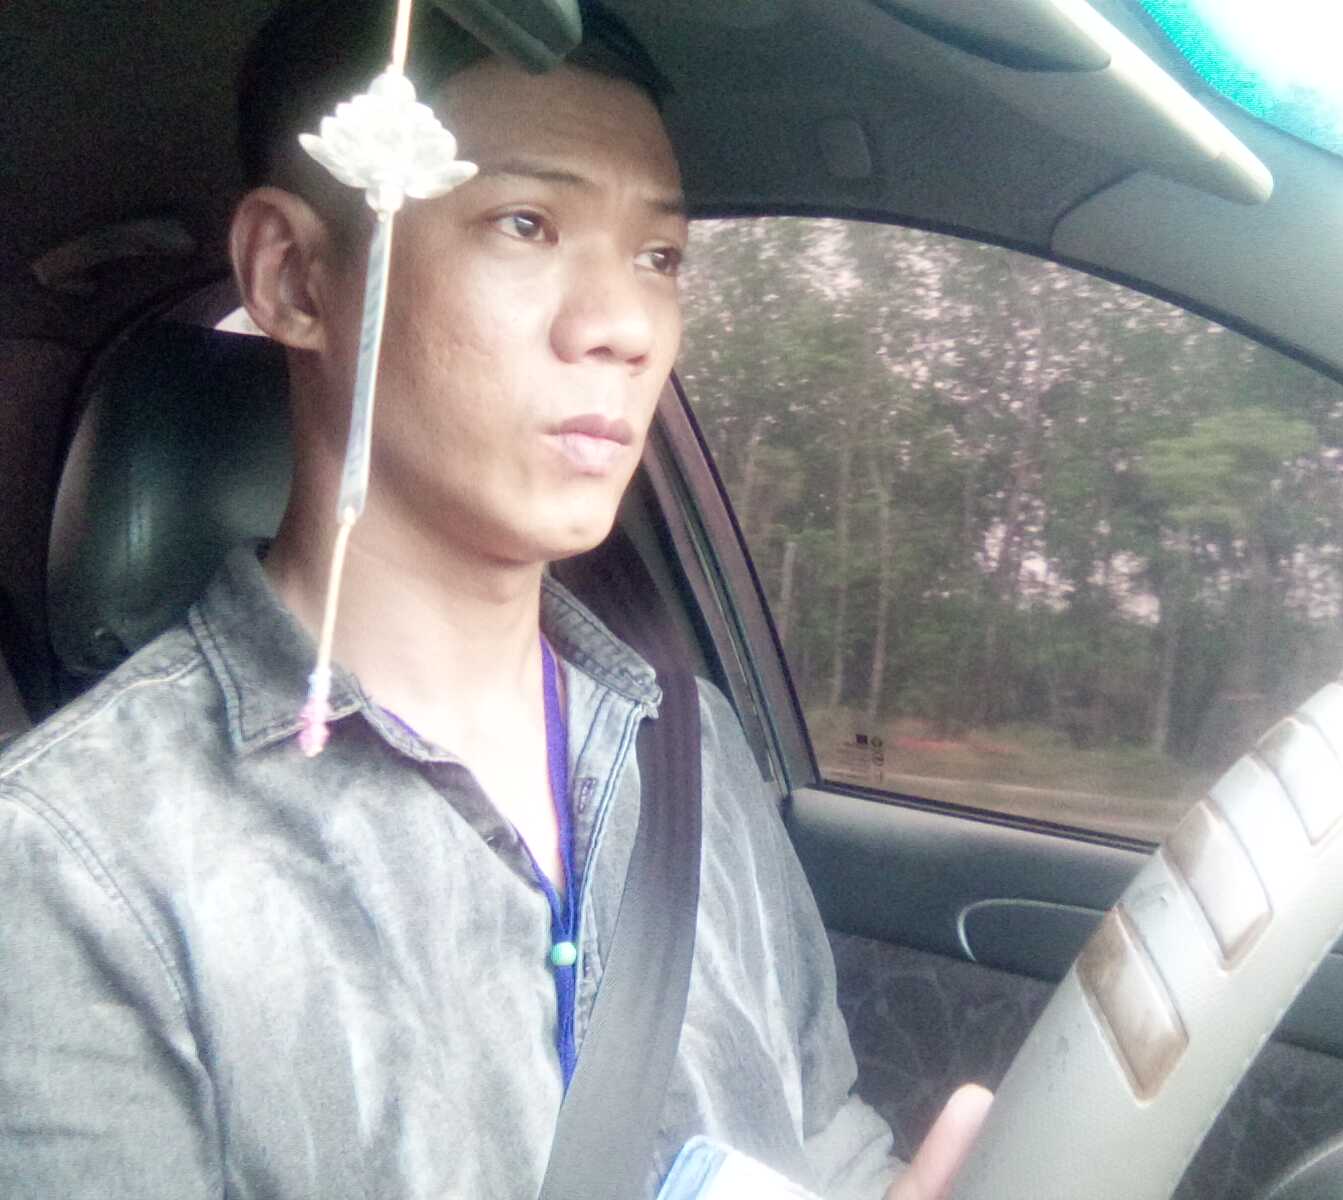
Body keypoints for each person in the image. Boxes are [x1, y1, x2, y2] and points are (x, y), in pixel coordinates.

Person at [0, 2, 990, 1197]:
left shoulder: (687, 747)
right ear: (296, 277)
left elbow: (817, 1136)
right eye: (527, 224)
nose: (625, 327)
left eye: (659, 258)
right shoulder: (72, 867)